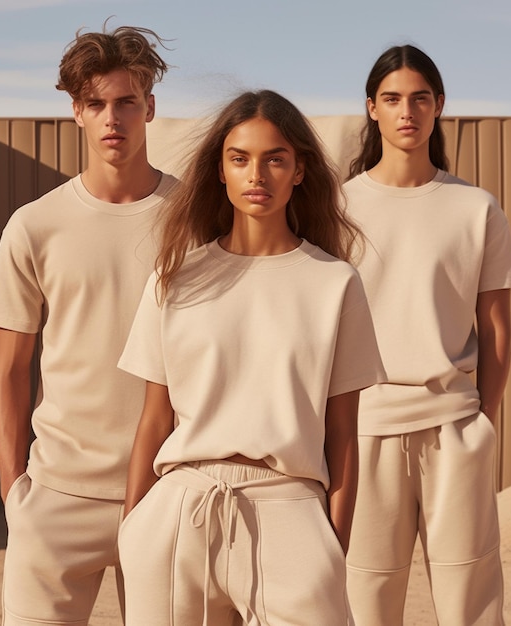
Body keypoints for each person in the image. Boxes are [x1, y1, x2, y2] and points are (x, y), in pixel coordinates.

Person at [116, 89, 386, 626]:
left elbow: (343, 434)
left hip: (288, 504)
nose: (256, 174)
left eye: (275, 158)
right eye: (239, 158)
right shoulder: (175, 279)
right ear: (220, 170)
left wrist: (334, 546)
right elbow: (154, 418)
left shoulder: (335, 284)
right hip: (179, 506)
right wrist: (132, 529)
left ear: (300, 170)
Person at [0, 25, 177, 625]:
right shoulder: (34, 226)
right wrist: (17, 494)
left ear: (150, 106)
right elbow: (9, 370)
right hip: (57, 496)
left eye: (125, 102)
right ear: (76, 112)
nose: (112, 118)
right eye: (96, 104)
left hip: (166, 490)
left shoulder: (194, 221)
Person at [343, 44, 511, 625]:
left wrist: (482, 420)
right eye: (392, 99)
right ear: (372, 108)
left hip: (454, 427)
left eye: (420, 98)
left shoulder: (476, 209)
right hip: (365, 429)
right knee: (363, 603)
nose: (407, 111)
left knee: (471, 604)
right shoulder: (339, 208)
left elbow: (495, 325)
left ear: (439, 105)